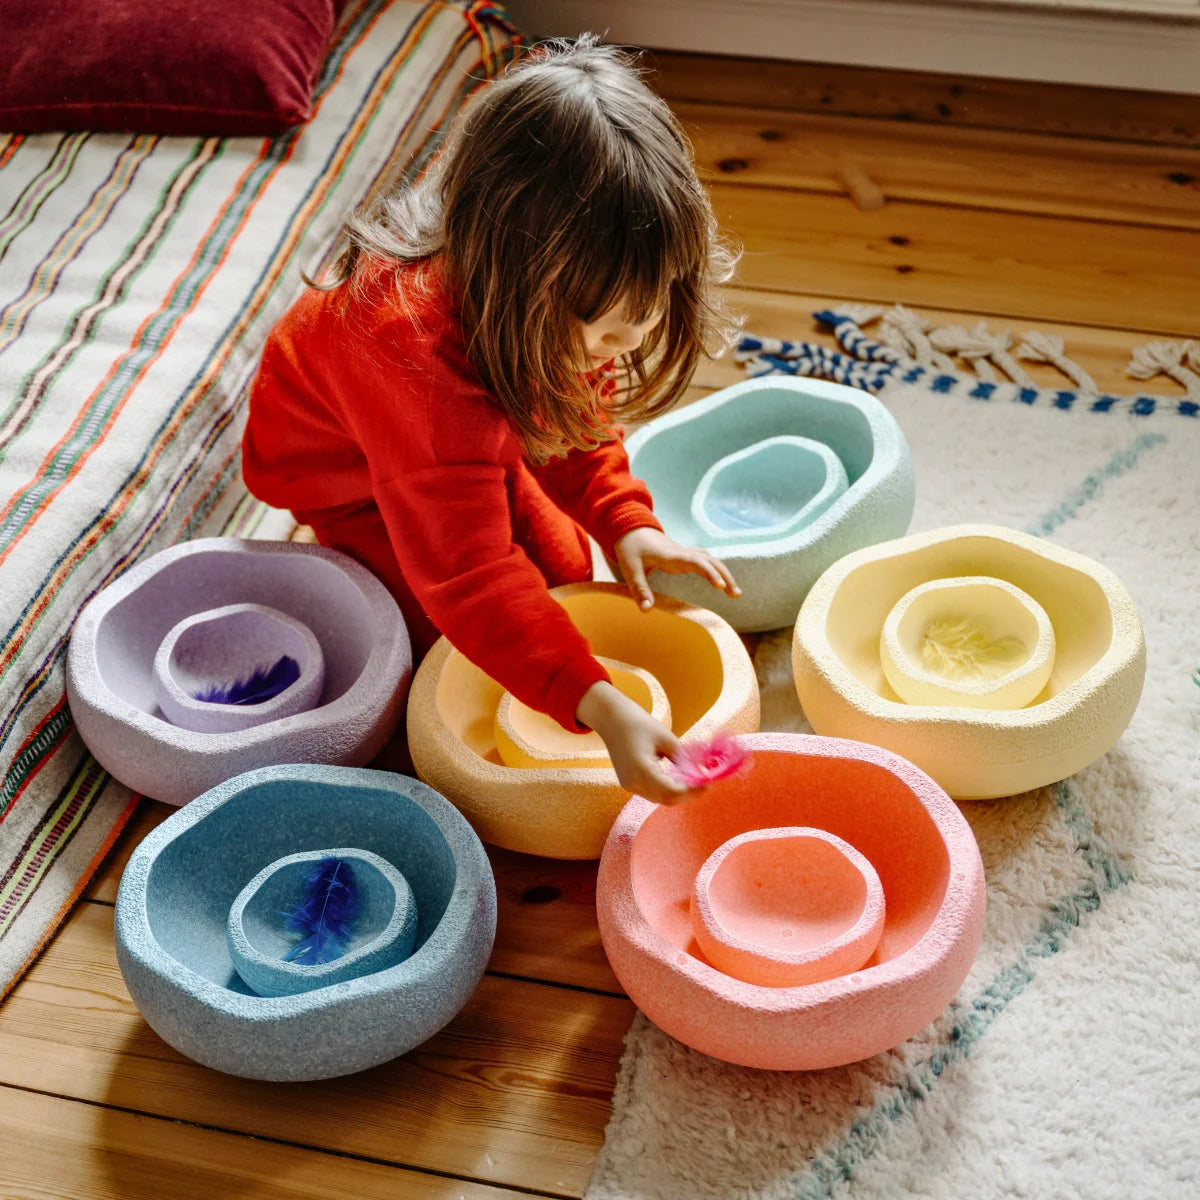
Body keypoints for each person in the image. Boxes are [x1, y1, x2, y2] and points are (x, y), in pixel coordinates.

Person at [242, 35, 742, 803]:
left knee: (568, 571)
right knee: (446, 643)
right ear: (518, 282)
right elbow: (469, 578)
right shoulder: (421, 375)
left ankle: (501, 484)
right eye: (605, 326)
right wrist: (598, 705)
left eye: (648, 310)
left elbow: (574, 413)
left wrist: (623, 516)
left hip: (465, 425)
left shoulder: (556, 295)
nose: (630, 340)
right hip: (350, 475)